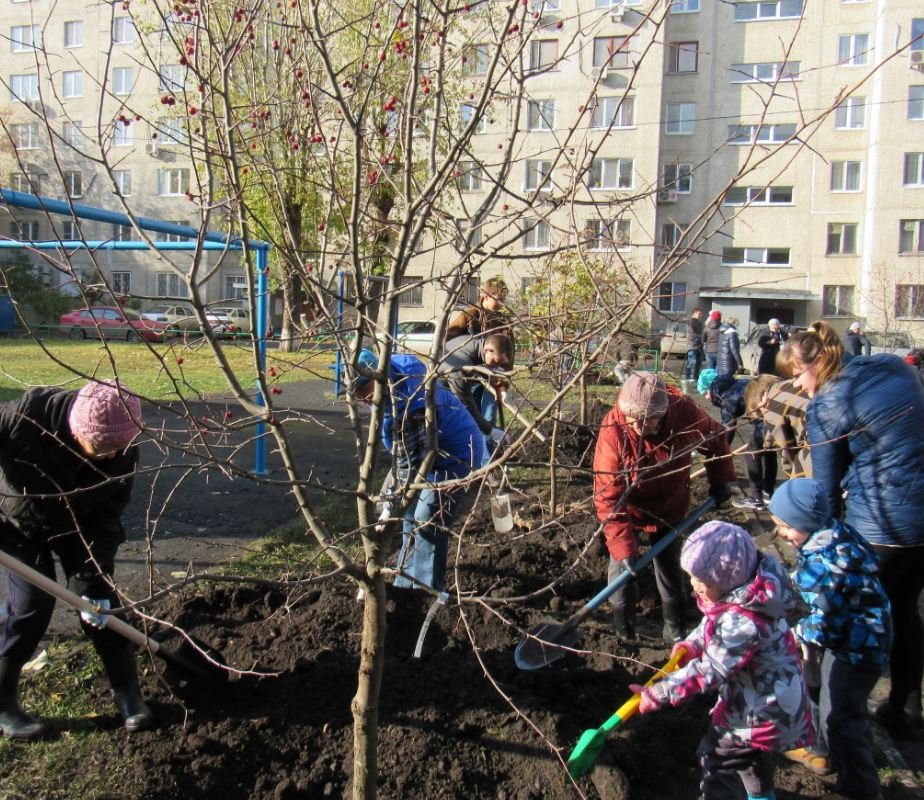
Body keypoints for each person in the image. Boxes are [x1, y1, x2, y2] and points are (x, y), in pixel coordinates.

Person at [783, 320, 924, 736]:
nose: (798, 384)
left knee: (844, 617)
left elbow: (824, 492)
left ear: (820, 362)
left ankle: (831, 726)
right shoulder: (894, 366)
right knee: (904, 607)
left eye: (797, 373)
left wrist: (816, 548)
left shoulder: (827, 404)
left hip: (882, 524)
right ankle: (904, 708)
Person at [0, 381, 154, 739]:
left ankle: (127, 693)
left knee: (101, 602)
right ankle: (3, 701)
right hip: (17, 525)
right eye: (99, 448)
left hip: (81, 528)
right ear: (77, 429)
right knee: (30, 605)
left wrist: (95, 568)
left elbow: (108, 515)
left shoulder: (122, 446)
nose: (108, 457)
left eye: (117, 450)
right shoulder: (24, 418)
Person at [630, 521, 813, 800]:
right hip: (766, 701)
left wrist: (659, 692)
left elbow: (711, 669)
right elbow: (714, 621)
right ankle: (761, 797)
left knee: (716, 758)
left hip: (761, 709)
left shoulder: (744, 622)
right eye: (692, 577)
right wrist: (693, 643)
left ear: (727, 581)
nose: (694, 587)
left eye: (703, 583)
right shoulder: (749, 594)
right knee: (750, 754)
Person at [769, 479, 891, 800]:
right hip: (857, 635)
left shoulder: (825, 566)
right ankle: (821, 750)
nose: (780, 533)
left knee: (843, 717)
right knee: (828, 696)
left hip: (859, 647)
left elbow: (820, 624)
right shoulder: (831, 536)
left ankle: (860, 789)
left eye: (784, 526)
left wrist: (793, 634)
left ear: (806, 524)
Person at [592, 372, 736, 643]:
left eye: (647, 419)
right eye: (632, 417)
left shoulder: (684, 414)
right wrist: (624, 548)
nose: (638, 425)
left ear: (663, 411)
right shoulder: (614, 428)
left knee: (669, 564)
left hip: (669, 505)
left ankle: (675, 627)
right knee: (621, 570)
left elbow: (715, 439)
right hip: (627, 509)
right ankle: (624, 632)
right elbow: (607, 497)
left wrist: (721, 480)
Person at [353, 350, 483, 591]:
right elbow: (405, 462)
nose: (362, 400)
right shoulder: (392, 379)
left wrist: (388, 507)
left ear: (377, 377)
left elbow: (408, 466)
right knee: (410, 513)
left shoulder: (408, 403)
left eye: (363, 391)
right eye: (356, 395)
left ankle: (426, 590)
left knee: (427, 518)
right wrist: (393, 503)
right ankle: (405, 584)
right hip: (428, 455)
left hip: (457, 457)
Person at [699, 369, 780, 510]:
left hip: (765, 420)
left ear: (711, 388)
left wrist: (720, 453)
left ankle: (756, 498)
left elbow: (728, 429)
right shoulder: (737, 383)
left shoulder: (727, 397)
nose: (706, 398)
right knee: (769, 451)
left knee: (752, 453)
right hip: (771, 417)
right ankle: (768, 491)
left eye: (705, 393)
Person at [439, 333, 514, 469]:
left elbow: (489, 370)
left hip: (448, 393)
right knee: (454, 432)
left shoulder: (477, 347)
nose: (495, 367)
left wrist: (501, 388)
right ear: (488, 350)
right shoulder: (461, 363)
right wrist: (491, 431)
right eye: (496, 362)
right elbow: (465, 405)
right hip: (436, 397)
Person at [444, 276, 510, 341]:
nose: (501, 304)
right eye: (499, 300)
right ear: (486, 296)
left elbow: (508, 345)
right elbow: (446, 337)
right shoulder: (470, 315)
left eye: (503, 300)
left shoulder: (501, 320)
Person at [683, 308, 704, 385]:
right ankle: (687, 379)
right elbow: (690, 334)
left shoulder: (699, 323)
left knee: (698, 363)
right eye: (699, 314)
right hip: (692, 345)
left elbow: (702, 333)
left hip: (700, 345)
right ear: (694, 313)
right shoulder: (690, 322)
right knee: (690, 363)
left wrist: (702, 341)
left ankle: (696, 379)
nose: (701, 315)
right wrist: (697, 339)